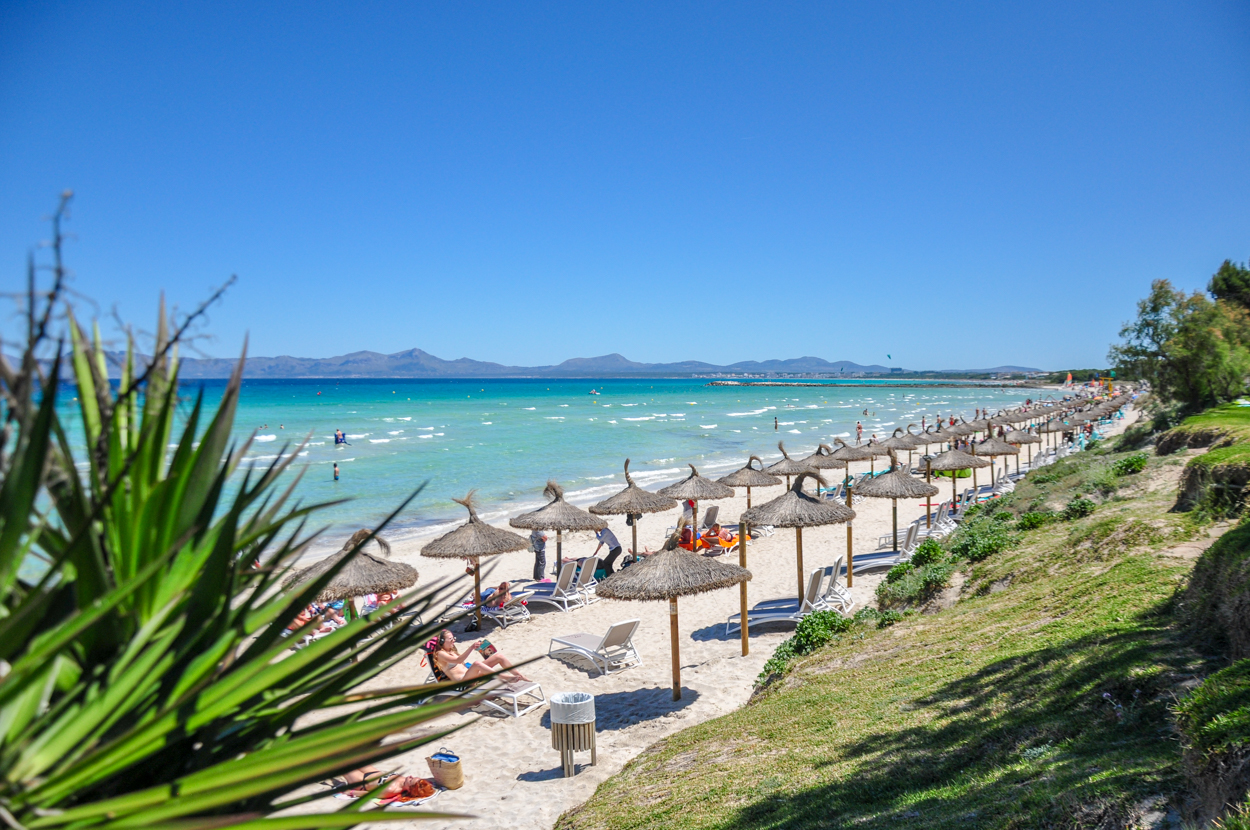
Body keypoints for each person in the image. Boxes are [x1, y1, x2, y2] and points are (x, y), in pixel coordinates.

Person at [426, 629, 530, 684]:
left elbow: (462, 662)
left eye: (454, 638)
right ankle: (505, 677)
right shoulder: (440, 654)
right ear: (442, 641)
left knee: (499, 656)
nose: (454, 640)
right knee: (476, 664)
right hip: (463, 681)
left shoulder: (452, 650)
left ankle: (522, 677)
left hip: (470, 675)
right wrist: (471, 647)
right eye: (451, 639)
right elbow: (459, 660)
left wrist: (484, 650)